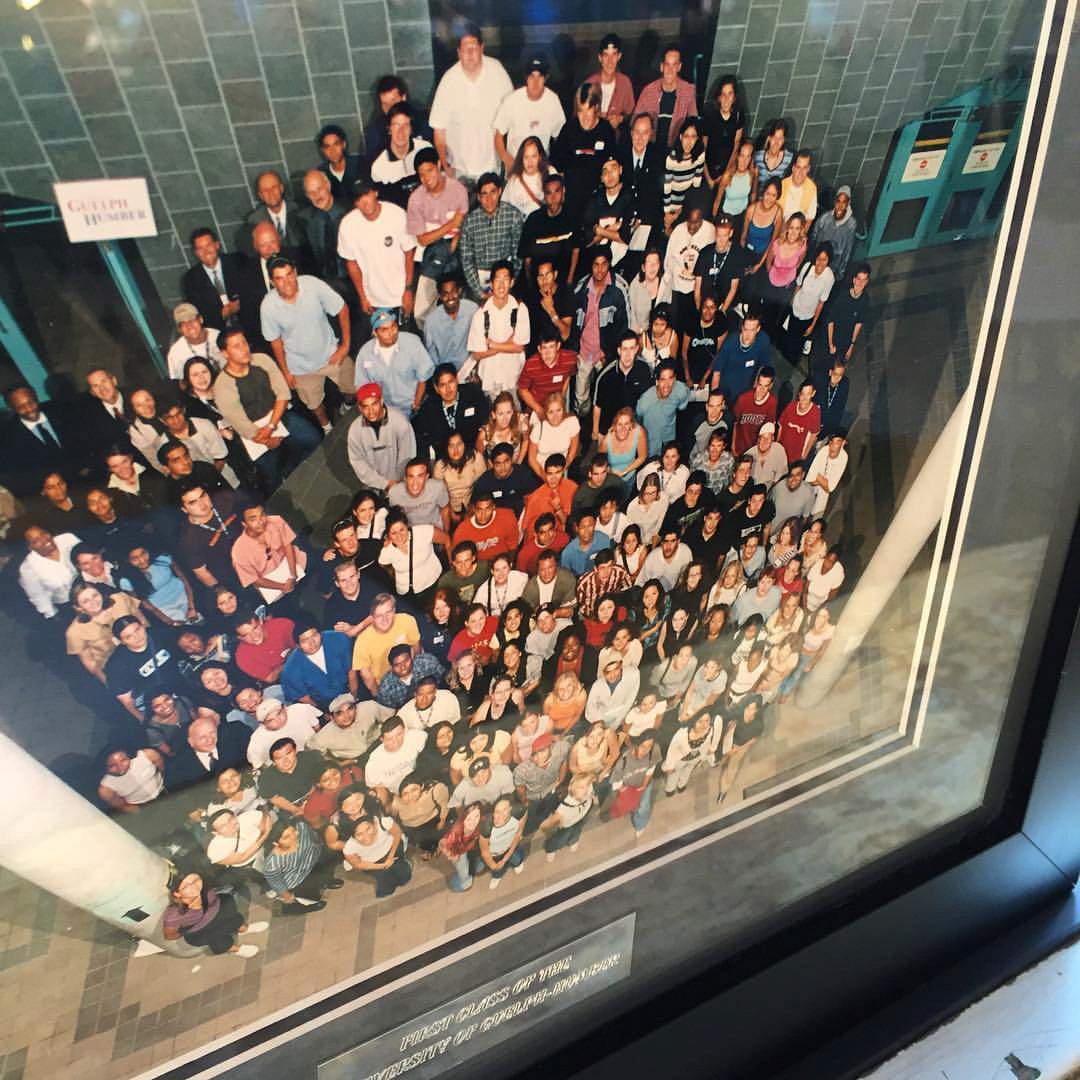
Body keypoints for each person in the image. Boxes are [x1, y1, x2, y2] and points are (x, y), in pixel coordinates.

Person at [213, 329, 320, 492]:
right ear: (225, 353)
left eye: (244, 343)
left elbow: (283, 393)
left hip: (277, 416)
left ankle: (299, 473)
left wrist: (271, 425)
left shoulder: (262, 360)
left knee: (313, 439)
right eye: (236, 346)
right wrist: (267, 440)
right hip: (255, 434)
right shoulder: (222, 386)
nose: (244, 349)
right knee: (271, 477)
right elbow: (241, 424)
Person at [260, 255, 352, 435]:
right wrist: (286, 372)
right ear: (272, 282)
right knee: (314, 404)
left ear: (295, 273)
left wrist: (345, 345)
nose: (287, 282)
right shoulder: (268, 306)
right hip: (301, 367)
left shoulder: (312, 284)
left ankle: (347, 407)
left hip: (330, 354)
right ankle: (327, 428)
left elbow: (342, 308)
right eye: (279, 278)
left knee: (353, 388)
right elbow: (275, 342)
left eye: (289, 275)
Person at [429, 23, 512, 186]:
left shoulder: (497, 72)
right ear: (458, 52)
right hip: (460, 171)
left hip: (493, 167)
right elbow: (439, 130)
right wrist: (445, 166)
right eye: (465, 49)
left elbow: (512, 115)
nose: (470, 53)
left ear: (482, 48)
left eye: (474, 48)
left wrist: (507, 158)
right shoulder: (449, 80)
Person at [338, 180, 417, 323]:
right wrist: (363, 297)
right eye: (358, 199)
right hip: (374, 300)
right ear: (355, 203)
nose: (364, 202)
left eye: (366, 194)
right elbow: (351, 263)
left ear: (375, 193)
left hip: (401, 294)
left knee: (406, 333)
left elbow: (409, 253)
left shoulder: (397, 215)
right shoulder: (348, 225)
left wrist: (408, 290)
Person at [570, 248, 631, 414]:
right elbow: (574, 323)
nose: (600, 269)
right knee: (580, 398)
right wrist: (575, 349)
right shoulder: (581, 288)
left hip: (605, 353)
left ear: (609, 264)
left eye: (604, 264)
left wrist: (611, 353)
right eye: (596, 265)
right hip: (584, 352)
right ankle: (582, 422)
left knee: (607, 395)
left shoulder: (619, 288)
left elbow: (624, 326)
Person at [550, 83, 617, 224]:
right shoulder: (569, 129)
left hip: (598, 200)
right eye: (581, 111)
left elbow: (613, 166)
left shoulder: (606, 130)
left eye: (588, 110)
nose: (584, 117)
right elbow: (556, 163)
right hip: (572, 199)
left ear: (596, 108)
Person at [464, 259, 531, 397]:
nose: (501, 285)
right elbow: (477, 354)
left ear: (512, 282)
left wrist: (492, 345)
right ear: (491, 283)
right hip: (489, 381)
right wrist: (508, 344)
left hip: (514, 379)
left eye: (505, 279)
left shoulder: (520, 309)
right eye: (497, 280)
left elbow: (520, 347)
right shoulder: (481, 314)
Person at [164, 871, 265, 957]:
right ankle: (235, 949)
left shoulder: (205, 890)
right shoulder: (174, 915)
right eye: (186, 886)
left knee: (229, 907)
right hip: (200, 930)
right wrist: (196, 927)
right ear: (177, 893)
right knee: (215, 938)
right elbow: (170, 936)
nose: (194, 886)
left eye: (195, 880)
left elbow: (217, 901)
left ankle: (242, 929)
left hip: (216, 914)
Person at [353, 308, 434, 417]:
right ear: (375, 333)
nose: (391, 333)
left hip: (412, 406)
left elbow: (423, 378)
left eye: (393, 326)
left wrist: (416, 404)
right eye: (384, 330)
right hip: (384, 410)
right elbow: (362, 386)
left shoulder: (412, 342)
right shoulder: (365, 354)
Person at [460, 174, 524, 304]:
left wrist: (508, 283)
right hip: (479, 278)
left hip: (505, 276)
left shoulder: (513, 215)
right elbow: (466, 260)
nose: (489, 199)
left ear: (499, 191)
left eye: (493, 192)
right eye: (484, 194)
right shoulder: (470, 221)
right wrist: (480, 292)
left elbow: (518, 255)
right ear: (478, 197)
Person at [494, 56, 565, 168]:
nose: (535, 82)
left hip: (541, 166)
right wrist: (507, 160)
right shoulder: (512, 100)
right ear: (526, 78)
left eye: (540, 76)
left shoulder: (553, 100)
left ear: (545, 78)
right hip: (516, 164)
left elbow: (559, 136)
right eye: (531, 76)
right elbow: (498, 136)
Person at [230, 503, 306, 606]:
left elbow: (288, 546)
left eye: (262, 515)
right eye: (253, 519)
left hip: (292, 564)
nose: (261, 521)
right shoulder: (238, 552)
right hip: (270, 583)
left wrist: (293, 575)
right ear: (244, 524)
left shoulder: (276, 521)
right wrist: (283, 586)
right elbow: (254, 580)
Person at [346, 383, 417, 492]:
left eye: (374, 404)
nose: (371, 411)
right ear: (360, 408)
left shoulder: (400, 422)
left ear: (382, 401)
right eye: (365, 406)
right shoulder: (355, 431)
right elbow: (358, 462)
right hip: (373, 484)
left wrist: (397, 482)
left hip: (400, 482)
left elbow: (408, 455)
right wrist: (383, 483)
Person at [414, 363, 491, 461]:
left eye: (451, 382)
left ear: (457, 380)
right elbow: (422, 435)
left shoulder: (472, 394)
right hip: (445, 459)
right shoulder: (429, 408)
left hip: (473, 454)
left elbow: (486, 420)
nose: (448, 389)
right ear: (436, 388)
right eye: (442, 385)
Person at [261, 818, 337, 915]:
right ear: (276, 843)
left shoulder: (302, 827)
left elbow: (314, 837)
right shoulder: (272, 865)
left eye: (293, 831)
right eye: (286, 837)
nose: (294, 836)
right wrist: (287, 896)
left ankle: (326, 882)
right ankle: (299, 908)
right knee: (311, 898)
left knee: (327, 864)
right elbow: (277, 884)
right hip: (298, 880)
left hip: (314, 862)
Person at [519, 173, 580, 286]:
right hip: (539, 280)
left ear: (563, 191)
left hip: (563, 280)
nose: (553, 197)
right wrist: (531, 285)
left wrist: (569, 281)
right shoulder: (533, 220)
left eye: (557, 191)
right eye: (549, 193)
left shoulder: (572, 217)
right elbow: (527, 259)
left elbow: (576, 251)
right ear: (544, 195)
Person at [181, 227, 246, 333]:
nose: (206, 252)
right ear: (196, 253)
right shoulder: (190, 279)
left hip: (249, 322)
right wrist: (222, 314)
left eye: (208, 245)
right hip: (219, 332)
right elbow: (197, 315)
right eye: (200, 248)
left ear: (217, 245)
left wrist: (239, 304)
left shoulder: (238, 261)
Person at [634, 44, 698, 148]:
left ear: (679, 67)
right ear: (661, 67)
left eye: (674, 65)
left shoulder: (688, 91)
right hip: (650, 148)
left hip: (676, 149)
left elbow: (694, 124)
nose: (670, 70)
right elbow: (635, 122)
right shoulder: (648, 91)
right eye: (667, 64)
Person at [370, 102, 431, 210]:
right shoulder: (379, 167)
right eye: (396, 125)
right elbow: (385, 206)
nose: (400, 132)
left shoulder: (425, 149)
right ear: (389, 129)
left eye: (406, 125)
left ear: (411, 129)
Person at [664, 207, 716, 333]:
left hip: (697, 288)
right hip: (678, 287)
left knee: (693, 324)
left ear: (702, 220)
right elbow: (668, 258)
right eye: (689, 222)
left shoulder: (710, 231)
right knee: (677, 323)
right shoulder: (678, 230)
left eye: (696, 222)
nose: (691, 226)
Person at [378, 509, 446, 604]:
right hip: (410, 594)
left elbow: (446, 539)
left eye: (402, 530)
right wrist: (394, 574)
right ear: (388, 535)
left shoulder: (423, 532)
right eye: (394, 533)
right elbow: (383, 564)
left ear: (407, 526)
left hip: (435, 584)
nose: (399, 536)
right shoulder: (387, 550)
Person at [281, 623, 354, 709]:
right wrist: (323, 713)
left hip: (349, 691)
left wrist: (354, 697)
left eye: (314, 636)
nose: (312, 642)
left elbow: (351, 670)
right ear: (298, 646)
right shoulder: (290, 669)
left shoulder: (337, 639)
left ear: (320, 634)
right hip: (323, 704)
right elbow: (303, 697)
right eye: (305, 640)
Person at [637, 362, 701, 459]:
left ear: (675, 379)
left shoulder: (680, 390)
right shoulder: (645, 402)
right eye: (663, 379)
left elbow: (683, 405)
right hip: (650, 447)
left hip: (669, 443)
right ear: (657, 381)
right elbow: (638, 420)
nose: (667, 385)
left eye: (670, 378)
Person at [784, 243, 835, 360]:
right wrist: (791, 303)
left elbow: (821, 303)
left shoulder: (829, 278)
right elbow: (798, 286)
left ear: (828, 261)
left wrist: (812, 325)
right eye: (818, 259)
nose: (820, 263)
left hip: (808, 315)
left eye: (824, 260)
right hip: (796, 309)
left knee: (799, 342)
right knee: (789, 336)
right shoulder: (807, 267)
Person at [344, 814, 412, 898]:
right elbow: (358, 864)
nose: (366, 836)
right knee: (384, 879)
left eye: (368, 829)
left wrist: (391, 856)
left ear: (375, 825)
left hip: (392, 851)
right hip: (372, 863)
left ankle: (403, 865)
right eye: (359, 834)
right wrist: (382, 866)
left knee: (404, 878)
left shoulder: (384, 822)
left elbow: (397, 834)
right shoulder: (349, 848)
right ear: (353, 837)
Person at [245, 697, 321, 770]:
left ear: (284, 708)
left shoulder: (301, 709)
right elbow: (258, 765)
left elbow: (318, 728)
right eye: (270, 720)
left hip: (317, 754)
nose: (278, 720)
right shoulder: (257, 740)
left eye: (278, 714)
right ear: (263, 724)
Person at [717, 694, 765, 803]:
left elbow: (753, 739)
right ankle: (723, 760)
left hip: (741, 747)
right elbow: (726, 716)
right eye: (748, 707)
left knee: (732, 768)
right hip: (729, 742)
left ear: (757, 710)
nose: (748, 711)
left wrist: (737, 750)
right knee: (724, 757)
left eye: (752, 708)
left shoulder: (758, 724)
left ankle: (723, 790)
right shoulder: (739, 712)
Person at [308, 692, 380, 764]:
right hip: (355, 761)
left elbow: (387, 718)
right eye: (339, 713)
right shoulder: (324, 735)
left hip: (379, 746)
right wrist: (338, 763)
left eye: (350, 709)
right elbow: (311, 753)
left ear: (355, 707)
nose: (346, 715)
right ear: (332, 717)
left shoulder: (369, 707)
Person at [423, 276, 478, 371]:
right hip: (446, 370)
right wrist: (440, 372)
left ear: (459, 291)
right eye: (445, 294)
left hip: (470, 367)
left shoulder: (472, 309)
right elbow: (431, 351)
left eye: (453, 292)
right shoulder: (431, 321)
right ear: (440, 296)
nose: (450, 297)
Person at [585, 34, 635, 133]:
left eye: (614, 55)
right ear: (600, 58)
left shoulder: (625, 83)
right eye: (606, 55)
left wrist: (620, 118)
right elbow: (580, 118)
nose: (610, 61)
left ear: (619, 56)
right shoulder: (589, 84)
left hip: (614, 136)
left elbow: (631, 114)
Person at [662, 708, 720, 795]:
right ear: (693, 721)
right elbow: (672, 750)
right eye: (700, 721)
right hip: (680, 758)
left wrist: (708, 752)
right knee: (674, 773)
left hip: (695, 757)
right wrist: (670, 765)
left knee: (688, 770)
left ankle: (681, 784)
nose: (704, 725)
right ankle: (670, 789)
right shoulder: (682, 734)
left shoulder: (709, 730)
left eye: (707, 720)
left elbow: (709, 742)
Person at [663, 117, 707, 231]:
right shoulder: (671, 158)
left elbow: (696, 186)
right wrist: (668, 213)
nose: (689, 142)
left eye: (693, 137)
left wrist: (682, 210)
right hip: (670, 204)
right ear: (680, 137)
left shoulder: (700, 156)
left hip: (687, 203)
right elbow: (667, 188)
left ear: (697, 139)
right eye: (686, 136)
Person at [473, 442, 538, 517]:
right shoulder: (485, 480)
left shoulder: (523, 473)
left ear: (512, 460)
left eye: (506, 461)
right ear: (492, 464)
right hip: (496, 516)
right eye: (498, 463)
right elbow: (475, 506)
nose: (503, 467)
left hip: (521, 516)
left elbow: (532, 500)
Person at [434, 433, 487, 523]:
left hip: (472, 504)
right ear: (446, 448)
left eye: (459, 444)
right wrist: (451, 512)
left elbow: (482, 485)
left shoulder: (476, 458)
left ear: (465, 445)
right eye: (451, 446)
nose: (456, 449)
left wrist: (472, 506)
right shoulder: (440, 466)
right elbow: (440, 495)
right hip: (449, 507)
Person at [824, 263, 871, 367]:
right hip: (832, 336)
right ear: (854, 280)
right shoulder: (842, 295)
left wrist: (851, 346)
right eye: (859, 279)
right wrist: (830, 343)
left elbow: (858, 324)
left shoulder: (865, 300)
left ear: (867, 282)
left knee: (839, 366)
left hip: (845, 341)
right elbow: (830, 320)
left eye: (864, 280)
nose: (860, 283)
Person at [540, 774, 595, 861]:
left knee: (577, 829)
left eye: (588, 784)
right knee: (561, 838)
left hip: (582, 815)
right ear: (572, 789)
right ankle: (551, 849)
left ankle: (573, 840)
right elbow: (547, 824)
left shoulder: (588, 789)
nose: (586, 789)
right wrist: (548, 826)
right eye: (581, 787)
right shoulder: (565, 807)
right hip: (567, 824)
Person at [166, 302, 225, 381]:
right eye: (183, 324)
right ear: (179, 329)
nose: (189, 326)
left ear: (200, 319)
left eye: (192, 320)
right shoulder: (175, 353)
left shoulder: (219, 336)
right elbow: (181, 383)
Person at [453, 494, 520, 563]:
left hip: (502, 562)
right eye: (479, 510)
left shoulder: (507, 517)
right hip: (478, 566)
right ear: (473, 509)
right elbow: (458, 561)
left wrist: (509, 564)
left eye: (487, 509)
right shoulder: (462, 531)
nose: (483, 515)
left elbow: (513, 548)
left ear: (493, 507)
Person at [521, 454, 576, 537]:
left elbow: (569, 523)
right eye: (550, 474)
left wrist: (558, 509)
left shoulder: (572, 487)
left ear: (563, 471)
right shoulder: (536, 497)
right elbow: (528, 530)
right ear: (545, 473)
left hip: (566, 534)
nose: (553, 478)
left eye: (557, 472)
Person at [388, 457, 451, 531]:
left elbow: (445, 510)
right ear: (405, 478)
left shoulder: (438, 487)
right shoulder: (394, 493)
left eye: (420, 476)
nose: (415, 482)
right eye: (411, 476)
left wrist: (446, 533)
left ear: (427, 477)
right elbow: (393, 519)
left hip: (434, 529)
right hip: (409, 532)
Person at [98, 748, 165, 813]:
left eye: (123, 760)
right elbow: (122, 805)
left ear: (128, 756)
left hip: (164, 792)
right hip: (142, 806)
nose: (120, 767)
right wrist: (142, 813)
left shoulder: (147, 755)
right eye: (112, 766)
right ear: (105, 768)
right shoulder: (106, 789)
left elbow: (162, 769)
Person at [316, 123, 369, 202]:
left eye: (336, 144)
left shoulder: (361, 163)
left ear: (343, 144)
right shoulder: (321, 174)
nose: (332, 151)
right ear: (322, 150)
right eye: (327, 147)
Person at [439, 800, 484, 892]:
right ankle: (471, 875)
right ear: (463, 818)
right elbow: (447, 848)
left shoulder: (480, 823)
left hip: (471, 845)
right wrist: (452, 855)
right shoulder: (454, 834)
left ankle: (470, 877)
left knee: (468, 861)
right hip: (457, 849)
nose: (473, 822)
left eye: (476, 816)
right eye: (469, 818)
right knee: (461, 863)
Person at [502, 136, 551, 219]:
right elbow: (504, 207)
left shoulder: (550, 172)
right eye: (526, 157)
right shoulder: (514, 180)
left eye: (534, 156)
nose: (530, 161)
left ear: (540, 157)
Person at [628, 249, 674, 336]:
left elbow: (669, 314)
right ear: (643, 267)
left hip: (661, 333)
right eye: (649, 263)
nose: (652, 267)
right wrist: (640, 333)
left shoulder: (666, 283)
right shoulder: (635, 285)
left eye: (656, 263)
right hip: (639, 333)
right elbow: (631, 315)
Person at [741, 177, 784, 268]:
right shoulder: (751, 210)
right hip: (746, 252)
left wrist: (759, 264)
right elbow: (743, 237)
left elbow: (772, 242)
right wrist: (741, 260)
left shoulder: (778, 213)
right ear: (763, 192)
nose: (769, 199)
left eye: (773, 195)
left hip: (762, 257)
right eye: (768, 193)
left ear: (777, 197)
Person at [522, 551, 577, 618]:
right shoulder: (531, 588)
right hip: (538, 619)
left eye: (550, 568)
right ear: (538, 570)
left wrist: (553, 614)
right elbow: (525, 614)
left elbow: (571, 610)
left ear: (556, 566)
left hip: (561, 617)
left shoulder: (567, 578)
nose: (546, 573)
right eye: (542, 569)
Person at [806, 432, 849, 518]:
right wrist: (824, 482)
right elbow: (810, 480)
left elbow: (830, 488)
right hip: (810, 491)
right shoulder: (824, 451)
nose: (833, 446)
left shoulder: (844, 457)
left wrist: (817, 477)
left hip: (824, 499)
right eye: (831, 441)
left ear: (843, 443)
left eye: (837, 442)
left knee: (816, 518)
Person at [780, 149, 818, 224]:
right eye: (798, 167)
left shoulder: (812, 188)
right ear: (793, 168)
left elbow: (809, 219)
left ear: (808, 169)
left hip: (799, 229)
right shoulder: (782, 185)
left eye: (804, 168)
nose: (800, 172)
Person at [754, 119, 793, 186]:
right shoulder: (757, 156)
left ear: (783, 140)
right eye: (774, 137)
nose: (776, 142)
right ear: (769, 138)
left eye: (780, 138)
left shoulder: (789, 159)